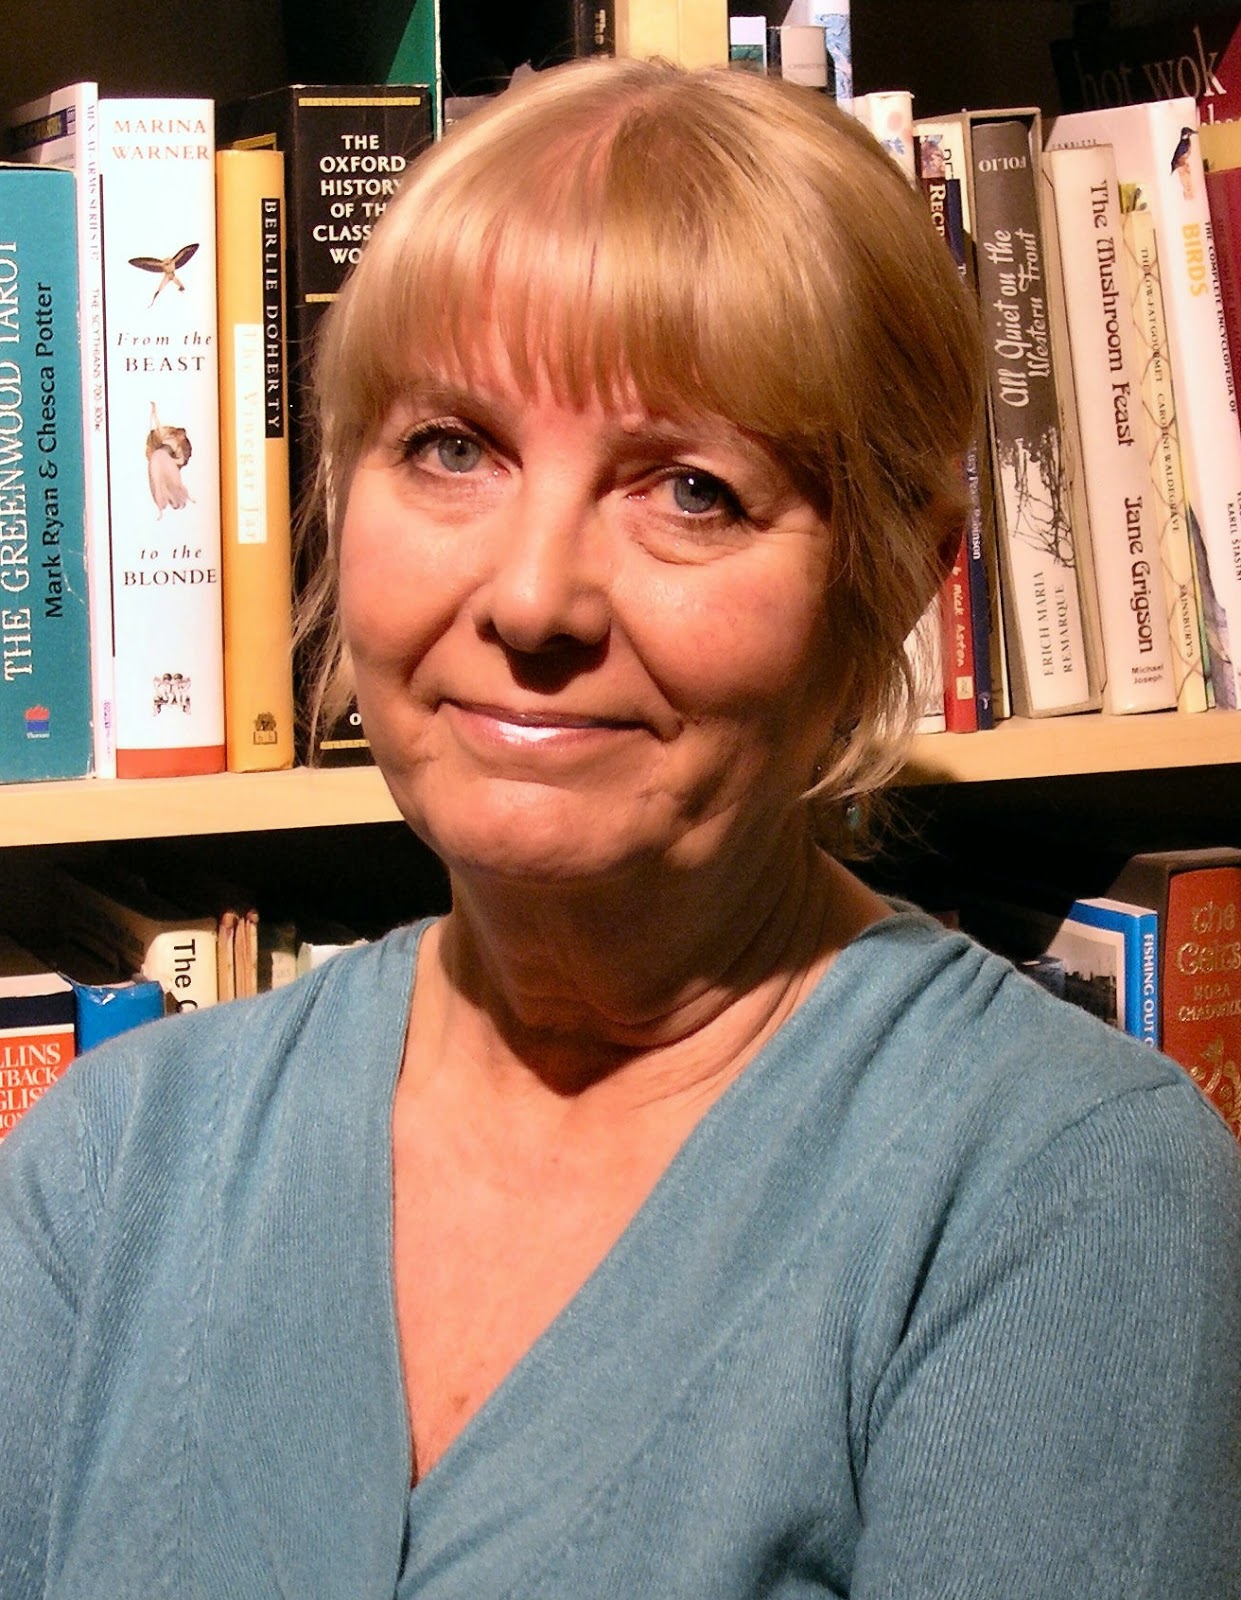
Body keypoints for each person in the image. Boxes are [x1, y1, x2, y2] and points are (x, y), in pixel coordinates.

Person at [2, 56, 1240, 1600]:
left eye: (691, 491)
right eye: (451, 448)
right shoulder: (113, 1164)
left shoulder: (1062, 1188)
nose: (533, 600)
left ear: (891, 583)